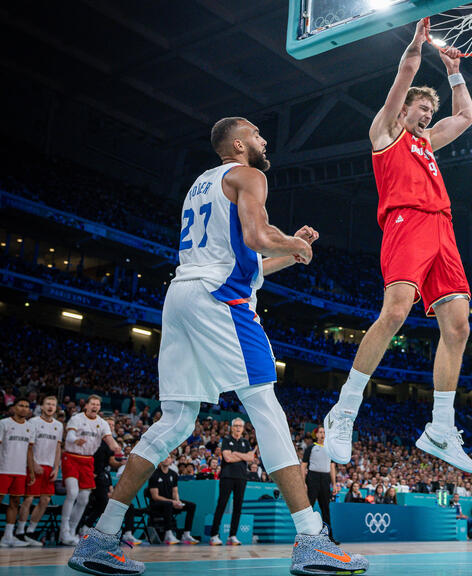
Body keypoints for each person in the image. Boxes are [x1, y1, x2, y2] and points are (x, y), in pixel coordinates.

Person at [68, 116, 367, 576]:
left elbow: (247, 264)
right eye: (260, 135)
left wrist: (291, 251)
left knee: (176, 419)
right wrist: (290, 241)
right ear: (242, 143)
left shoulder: (201, 185)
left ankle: (101, 537)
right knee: (265, 405)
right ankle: (311, 538)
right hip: (217, 299)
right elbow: (255, 238)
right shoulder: (250, 174)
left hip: (182, 296)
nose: (267, 142)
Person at [323, 18, 472, 474]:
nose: (427, 113)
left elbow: (467, 117)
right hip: (405, 222)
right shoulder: (386, 134)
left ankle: (441, 427)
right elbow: (405, 75)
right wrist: (416, 45)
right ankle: (345, 410)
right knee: (395, 312)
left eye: (431, 109)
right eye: (421, 108)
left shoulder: (428, 142)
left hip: (442, 229)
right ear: (403, 111)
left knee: (459, 327)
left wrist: (454, 71)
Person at [61, 395, 122, 545]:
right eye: (92, 404)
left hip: (88, 461)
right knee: (73, 493)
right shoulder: (76, 419)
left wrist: (115, 446)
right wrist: (75, 440)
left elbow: (109, 438)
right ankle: (64, 531)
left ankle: (73, 531)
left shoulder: (102, 423)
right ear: (86, 406)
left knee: (83, 499)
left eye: (97, 404)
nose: (95, 406)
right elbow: (69, 435)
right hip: (72, 457)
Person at [16, 395, 62, 546]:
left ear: (55, 408)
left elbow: (57, 448)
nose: (50, 407)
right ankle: (20, 532)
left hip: (49, 467)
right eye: (48, 404)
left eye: (53, 405)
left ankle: (31, 531)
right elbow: (28, 446)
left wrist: (56, 467)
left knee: (45, 500)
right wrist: (33, 464)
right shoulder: (32, 422)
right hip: (34, 465)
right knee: (28, 498)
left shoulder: (59, 425)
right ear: (41, 406)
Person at [210, 418, 254, 546]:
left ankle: (232, 536)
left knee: (238, 507)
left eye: (240, 426)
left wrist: (236, 453)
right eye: (236, 426)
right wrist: (242, 456)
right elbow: (227, 458)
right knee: (222, 505)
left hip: (241, 477)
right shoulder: (226, 440)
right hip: (227, 476)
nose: (238, 428)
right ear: (232, 427)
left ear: (243, 428)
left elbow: (251, 458)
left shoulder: (246, 442)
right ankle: (214, 535)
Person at [0, 398, 33, 548]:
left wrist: (31, 471)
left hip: (20, 471)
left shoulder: (30, 427)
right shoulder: (4, 423)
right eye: (21, 406)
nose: (24, 409)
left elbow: (29, 451)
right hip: (3, 468)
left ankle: (7, 537)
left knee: (14, 503)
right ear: (14, 408)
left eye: (26, 406)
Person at [147, 456, 198, 545]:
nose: (166, 459)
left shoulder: (173, 474)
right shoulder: (154, 474)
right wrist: (172, 502)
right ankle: (168, 534)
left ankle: (186, 534)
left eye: (168, 458)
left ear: (171, 460)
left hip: (170, 502)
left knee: (191, 505)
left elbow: (175, 492)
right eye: (164, 457)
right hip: (156, 505)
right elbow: (155, 496)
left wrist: (178, 501)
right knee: (168, 504)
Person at [302, 427, 337, 537]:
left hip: (325, 478)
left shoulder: (330, 449)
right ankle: (305, 536)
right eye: (320, 432)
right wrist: (303, 482)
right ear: (316, 435)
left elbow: (332, 467)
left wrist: (334, 484)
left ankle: (329, 537)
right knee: (310, 507)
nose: (322, 434)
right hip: (313, 477)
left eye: (324, 432)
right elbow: (303, 466)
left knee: (325, 508)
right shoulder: (311, 448)